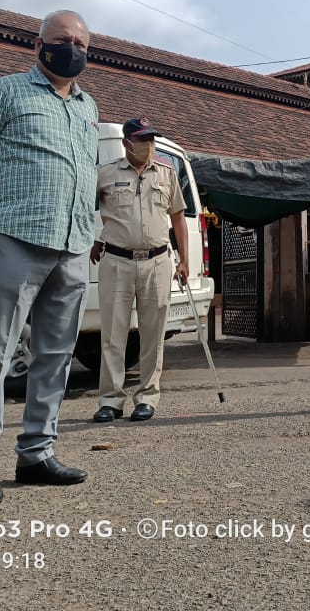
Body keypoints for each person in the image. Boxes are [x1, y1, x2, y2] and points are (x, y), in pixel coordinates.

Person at [0, 9, 99, 506]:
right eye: (62, 39)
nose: (72, 49)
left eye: (80, 43)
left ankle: (37, 452)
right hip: (17, 236)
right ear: (38, 45)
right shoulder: (5, 92)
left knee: (56, 353)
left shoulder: (88, 106)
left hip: (73, 242)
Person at [90, 118, 189, 423]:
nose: (148, 145)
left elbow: (178, 218)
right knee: (113, 334)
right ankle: (110, 400)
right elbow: (84, 210)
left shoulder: (166, 173)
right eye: (141, 140)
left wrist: (184, 260)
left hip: (157, 262)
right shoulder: (105, 174)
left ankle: (147, 397)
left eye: (151, 139)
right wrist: (94, 239)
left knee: (153, 334)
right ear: (126, 143)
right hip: (116, 260)